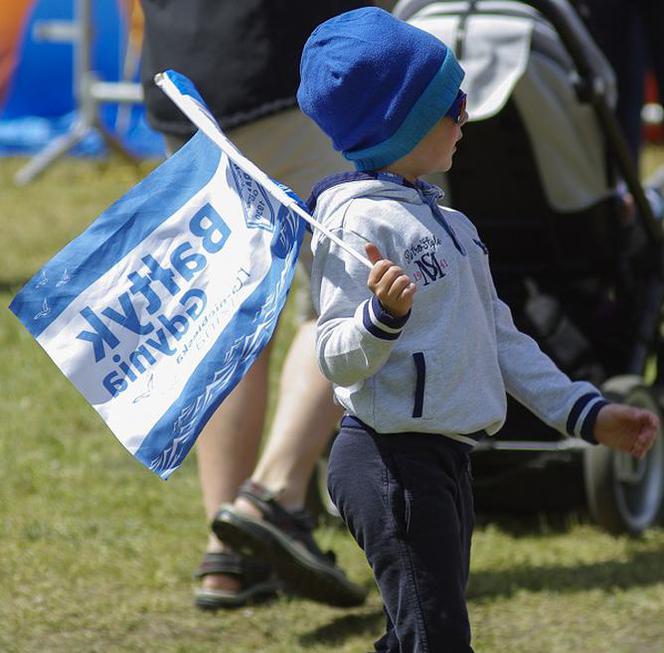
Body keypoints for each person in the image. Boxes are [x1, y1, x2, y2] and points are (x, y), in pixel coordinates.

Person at [216, 8, 661, 650]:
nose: (466, 114)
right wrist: (379, 321)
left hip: (445, 458)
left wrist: (586, 415)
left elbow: (502, 340)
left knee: (416, 632)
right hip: (388, 461)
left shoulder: (450, 224)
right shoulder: (357, 227)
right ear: (401, 125)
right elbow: (334, 356)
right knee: (437, 636)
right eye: (450, 102)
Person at [139, 0, 368, 609]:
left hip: (185, 75)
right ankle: (270, 497)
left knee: (231, 314)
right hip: (288, 67)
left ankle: (229, 552)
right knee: (362, 292)